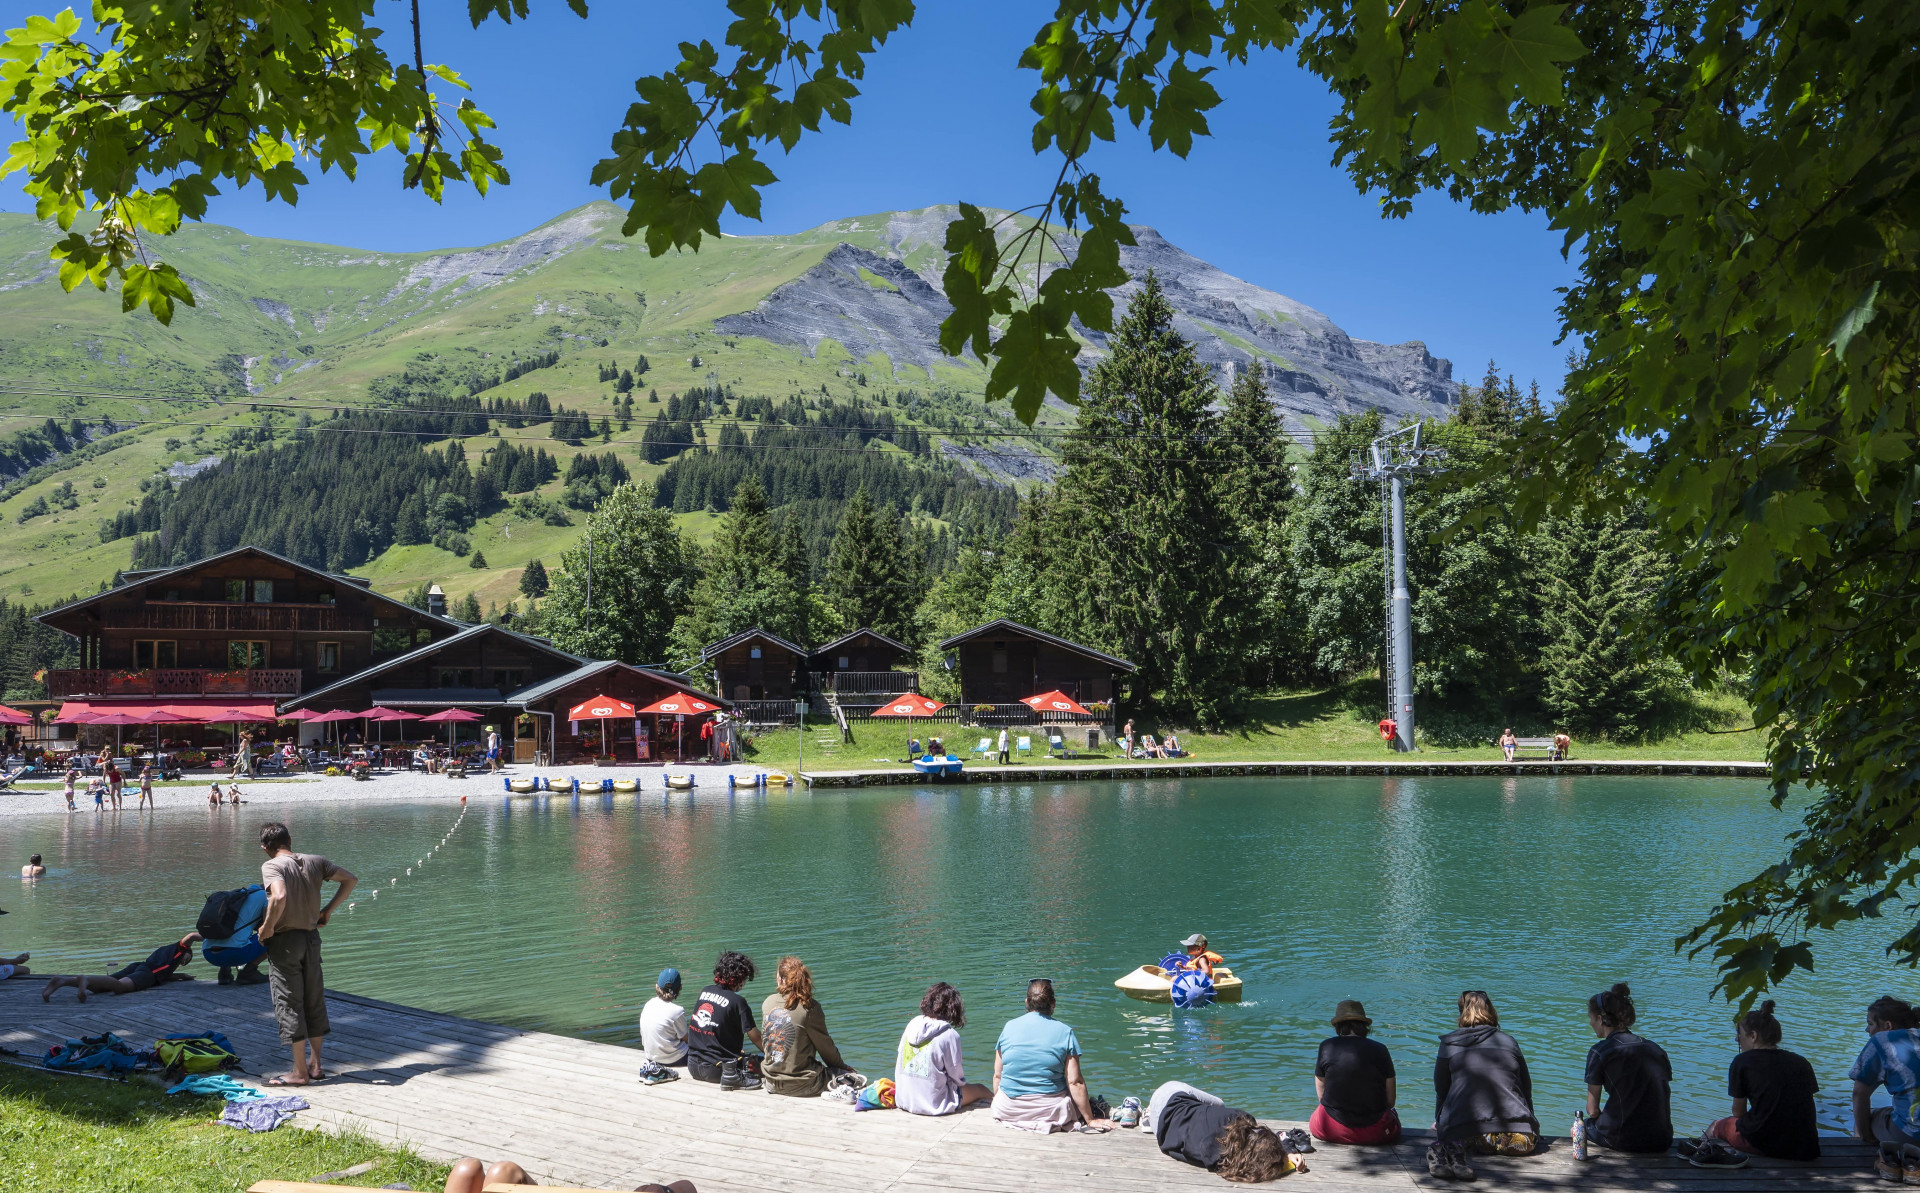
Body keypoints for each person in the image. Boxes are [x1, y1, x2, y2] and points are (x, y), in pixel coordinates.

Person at [257, 820, 357, 1086]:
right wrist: (327, 911)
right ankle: (316, 1065)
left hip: (285, 943)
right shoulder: (316, 861)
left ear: (265, 847)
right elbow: (350, 879)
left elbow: (278, 897)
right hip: (312, 940)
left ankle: (299, 1073)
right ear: (290, 840)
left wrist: (267, 928)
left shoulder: (272, 865)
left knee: (289, 1003)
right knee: (314, 1000)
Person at [1705, 999, 1820, 1161]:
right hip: (1806, 1147)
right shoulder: (1801, 1062)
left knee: (1716, 1125)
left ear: (1753, 1036)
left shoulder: (1742, 1062)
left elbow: (1738, 1112)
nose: (1736, 1039)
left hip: (1769, 1145)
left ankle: (1698, 1158)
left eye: (1739, 1033)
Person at [992, 978, 1111, 1132]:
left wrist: (1001, 1102)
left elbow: (998, 1076)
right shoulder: (1065, 1032)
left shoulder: (1008, 1027)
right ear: (1053, 1004)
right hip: (1050, 1112)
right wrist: (1090, 1120)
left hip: (1008, 1110)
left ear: (1026, 1002)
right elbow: (1075, 1082)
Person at [1434, 990, 1538, 1155]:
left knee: (1455, 1141)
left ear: (1462, 1013)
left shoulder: (1449, 1043)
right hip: (1520, 1139)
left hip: (1464, 1136)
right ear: (1491, 1011)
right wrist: (1531, 1124)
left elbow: (1441, 1091)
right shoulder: (1509, 1041)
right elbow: (1526, 1088)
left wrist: (1440, 1122)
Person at [1581, 982, 1672, 1153]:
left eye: (1591, 1018)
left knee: (1583, 1125)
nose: (1590, 1023)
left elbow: (1592, 1111)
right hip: (1662, 1139)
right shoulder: (1656, 1050)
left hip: (1623, 1139)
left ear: (1600, 1018)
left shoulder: (1599, 1052)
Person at [1145, 1081, 1296, 1180]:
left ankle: (1147, 1110)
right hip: (1159, 1127)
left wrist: (1287, 1148)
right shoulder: (1218, 1161)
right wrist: (1288, 1152)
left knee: (1220, 1104)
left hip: (1169, 1094)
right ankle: (1148, 1115)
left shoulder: (1240, 1117)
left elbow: (1268, 1135)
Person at [1311, 1000, 1401, 1145]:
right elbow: (1390, 1101)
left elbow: (1322, 1098)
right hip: (1375, 1132)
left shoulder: (1326, 1046)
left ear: (1338, 1026)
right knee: (1393, 1116)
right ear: (1364, 1026)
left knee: (1319, 1112)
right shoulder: (1381, 1049)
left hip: (1331, 1129)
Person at [896, 981, 991, 1115]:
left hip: (904, 1099)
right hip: (932, 1104)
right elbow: (957, 1078)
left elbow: (900, 1055)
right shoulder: (949, 1035)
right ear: (954, 1008)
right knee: (981, 1089)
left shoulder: (912, 1024)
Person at [760, 956, 850, 1097]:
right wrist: (843, 1068)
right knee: (849, 1077)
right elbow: (826, 1048)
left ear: (781, 979)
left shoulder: (768, 1003)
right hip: (803, 1085)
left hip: (771, 1082)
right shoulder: (810, 1007)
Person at [41, 932, 201, 1002]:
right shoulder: (180, 950)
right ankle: (85, 978)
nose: (185, 961)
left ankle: (62, 981)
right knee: (119, 987)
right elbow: (192, 936)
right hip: (147, 974)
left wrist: (181, 976)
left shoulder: (166, 954)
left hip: (139, 966)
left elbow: (164, 974)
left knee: (100, 987)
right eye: (188, 959)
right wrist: (214, 937)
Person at [686, 950, 763, 1089]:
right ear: (739, 978)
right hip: (718, 1071)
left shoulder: (704, 991)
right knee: (761, 1063)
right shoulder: (738, 1002)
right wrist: (772, 1055)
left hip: (692, 1065)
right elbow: (755, 1036)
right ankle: (734, 1078)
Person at [1851, 994, 1920, 1147]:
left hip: (1912, 1135)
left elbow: (1859, 1093)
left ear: (1887, 1026)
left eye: (1870, 1024)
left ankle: (1861, 1153)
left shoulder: (1883, 1040)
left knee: (1865, 1117)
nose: (1867, 1029)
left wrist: (1866, 1135)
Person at [640, 968, 689, 1067]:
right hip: (675, 1059)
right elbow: (685, 1038)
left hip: (651, 1057)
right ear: (680, 988)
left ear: (657, 987)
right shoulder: (677, 1011)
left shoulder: (648, 1004)